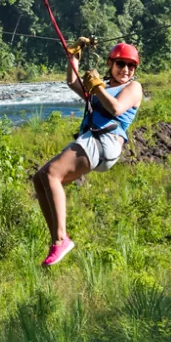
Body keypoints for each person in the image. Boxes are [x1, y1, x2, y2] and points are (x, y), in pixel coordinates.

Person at [32, 42, 144, 267]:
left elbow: (116, 108)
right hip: (93, 141)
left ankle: (61, 240)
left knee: (52, 174)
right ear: (110, 63)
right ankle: (56, 240)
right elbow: (72, 82)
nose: (125, 70)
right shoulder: (102, 87)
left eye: (130, 66)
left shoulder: (134, 88)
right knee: (40, 178)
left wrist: (97, 87)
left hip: (104, 141)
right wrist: (73, 57)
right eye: (120, 64)